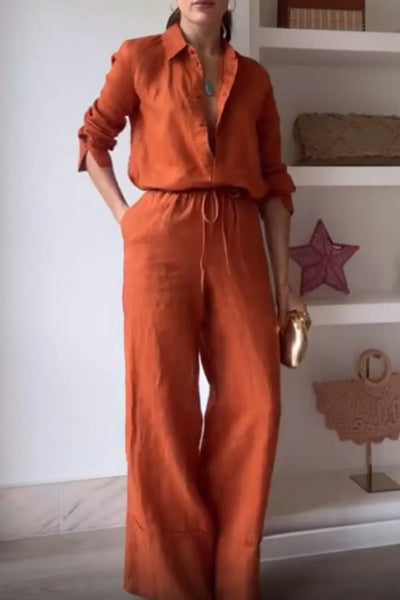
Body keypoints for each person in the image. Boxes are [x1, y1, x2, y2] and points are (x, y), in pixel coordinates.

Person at [77, 1, 307, 599]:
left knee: (255, 402)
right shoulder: (140, 58)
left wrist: (283, 284)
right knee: (161, 404)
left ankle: (232, 574)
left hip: (238, 235)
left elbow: (275, 184)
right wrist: (128, 220)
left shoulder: (254, 79)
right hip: (160, 237)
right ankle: (172, 579)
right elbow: (93, 139)